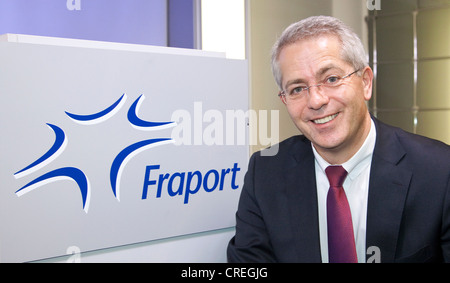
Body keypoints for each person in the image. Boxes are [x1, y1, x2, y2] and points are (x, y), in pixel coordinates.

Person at [227, 15, 450, 263]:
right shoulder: (266, 173)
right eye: (298, 89)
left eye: (331, 79)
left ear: (365, 82)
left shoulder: (439, 171)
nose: (316, 101)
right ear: (284, 100)